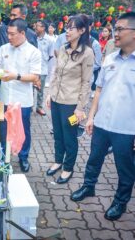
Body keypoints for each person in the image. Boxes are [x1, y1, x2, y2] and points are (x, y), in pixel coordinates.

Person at [70, 12, 135, 221]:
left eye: (120, 29)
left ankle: (120, 202)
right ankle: (88, 187)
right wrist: (91, 117)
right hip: (102, 124)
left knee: (125, 168)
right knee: (94, 159)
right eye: (115, 29)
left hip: (127, 129)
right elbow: (98, 90)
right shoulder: (109, 59)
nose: (115, 33)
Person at [46, 14, 94, 184]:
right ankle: (58, 161)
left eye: (71, 28)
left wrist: (80, 108)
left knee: (70, 137)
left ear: (82, 30)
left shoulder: (87, 53)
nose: (67, 31)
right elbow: (56, 74)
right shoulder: (64, 49)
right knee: (58, 134)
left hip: (72, 105)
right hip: (57, 100)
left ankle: (68, 168)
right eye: (67, 27)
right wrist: (50, 94)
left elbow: (86, 82)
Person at [0, 18, 41, 172]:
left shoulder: (33, 52)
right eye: (8, 33)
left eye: (12, 34)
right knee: (3, 130)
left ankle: (23, 157)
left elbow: (35, 77)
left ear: (22, 33)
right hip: (4, 97)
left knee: (23, 131)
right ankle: (3, 156)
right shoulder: (3, 49)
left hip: (23, 100)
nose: (9, 37)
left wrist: (16, 76)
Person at [34, 20, 54, 116]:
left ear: (43, 28)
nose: (35, 27)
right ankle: (29, 107)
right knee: (29, 88)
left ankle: (39, 107)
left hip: (42, 68)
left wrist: (43, 61)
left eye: (38, 26)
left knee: (40, 90)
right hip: (32, 68)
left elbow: (50, 55)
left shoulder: (49, 40)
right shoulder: (33, 37)